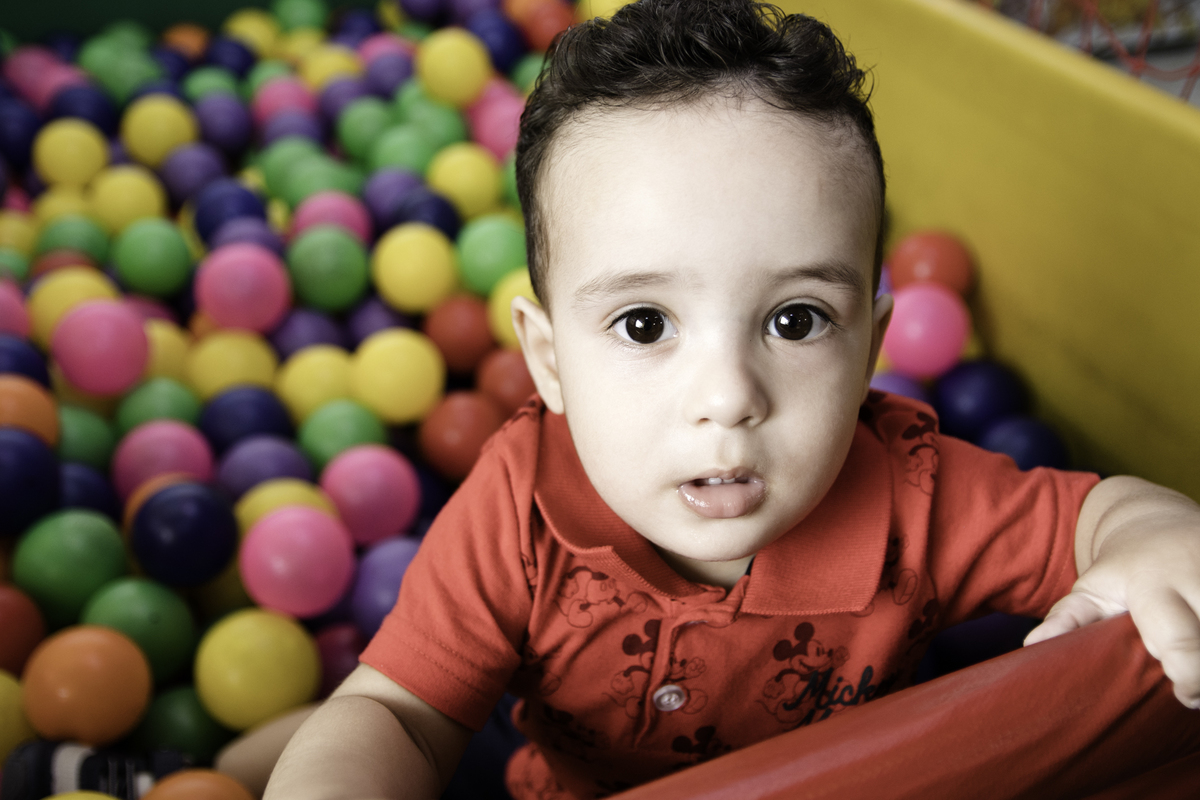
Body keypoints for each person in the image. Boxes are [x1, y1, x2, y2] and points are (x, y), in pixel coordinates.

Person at [263, 1, 1200, 798]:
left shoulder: (915, 498)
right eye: (643, 325)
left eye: (795, 321)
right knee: (336, 730)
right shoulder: (521, 510)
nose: (727, 397)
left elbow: (1101, 518)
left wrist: (1156, 538)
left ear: (870, 348)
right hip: (548, 767)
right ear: (548, 363)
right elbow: (400, 715)